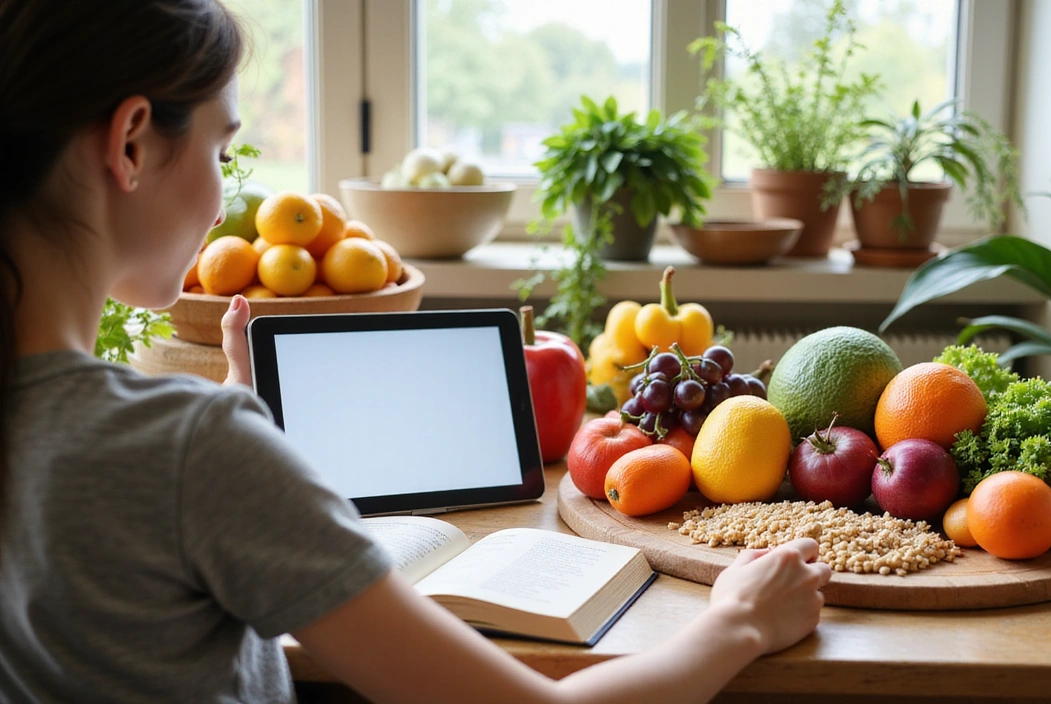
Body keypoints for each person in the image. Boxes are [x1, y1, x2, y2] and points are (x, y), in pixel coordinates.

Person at [0, 1, 832, 702]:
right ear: (133, 142)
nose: (222, 204)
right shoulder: (187, 445)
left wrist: (238, 434)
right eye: (222, 152)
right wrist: (742, 620)